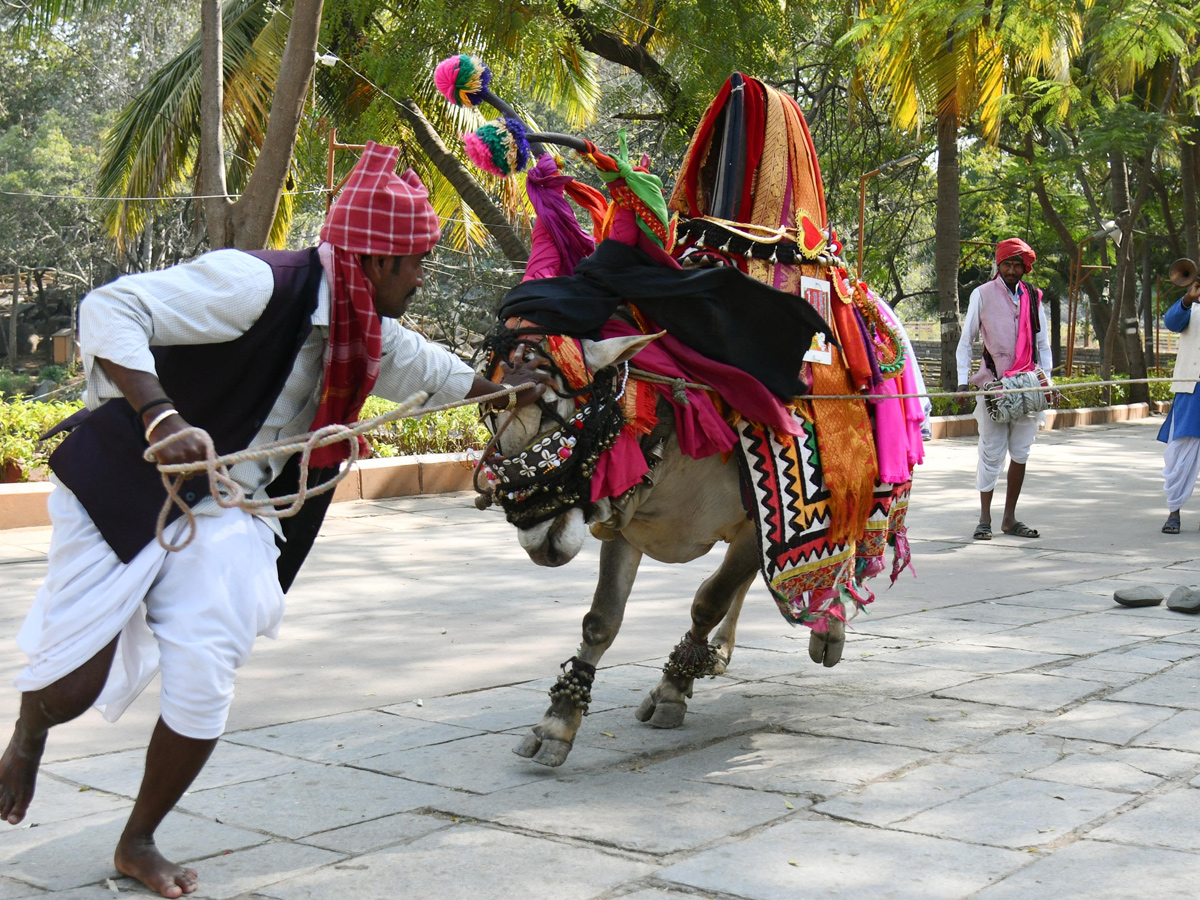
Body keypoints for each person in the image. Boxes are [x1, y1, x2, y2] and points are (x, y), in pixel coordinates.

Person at [0, 142, 546, 897]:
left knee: (209, 663)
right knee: (77, 684)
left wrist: (505, 390)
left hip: (233, 509)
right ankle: (31, 730)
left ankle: (137, 841)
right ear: (377, 259)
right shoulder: (257, 281)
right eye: (416, 261)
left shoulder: (364, 330)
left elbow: (430, 371)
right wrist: (161, 416)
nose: (423, 277)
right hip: (131, 477)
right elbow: (109, 308)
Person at [955, 238, 1052, 540]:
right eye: (1007, 264)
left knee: (1021, 452)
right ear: (998, 265)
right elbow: (966, 340)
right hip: (993, 384)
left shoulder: (1034, 298)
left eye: (1017, 265)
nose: (1012, 270)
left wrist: (1047, 383)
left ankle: (1009, 519)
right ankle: (985, 519)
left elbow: (1043, 345)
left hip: (1028, 386)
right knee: (991, 453)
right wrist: (962, 381)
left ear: (1025, 267)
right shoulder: (981, 294)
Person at [1158, 276, 1200, 533]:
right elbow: (1171, 322)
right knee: (1180, 452)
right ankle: (1174, 512)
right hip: (1192, 390)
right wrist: (1188, 297)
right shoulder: (1189, 308)